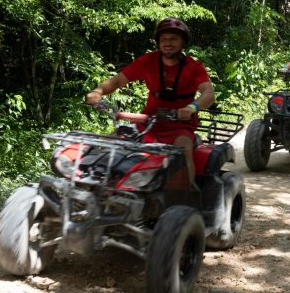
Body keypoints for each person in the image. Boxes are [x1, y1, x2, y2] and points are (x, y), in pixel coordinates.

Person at [86, 18, 215, 183]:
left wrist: (192, 107)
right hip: (148, 123)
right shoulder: (148, 61)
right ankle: (99, 187)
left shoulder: (194, 67)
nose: (168, 43)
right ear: (158, 43)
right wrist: (98, 91)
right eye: (164, 39)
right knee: (110, 143)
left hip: (180, 126)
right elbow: (117, 80)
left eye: (173, 39)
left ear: (183, 42)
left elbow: (209, 93)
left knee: (182, 152)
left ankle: (185, 196)